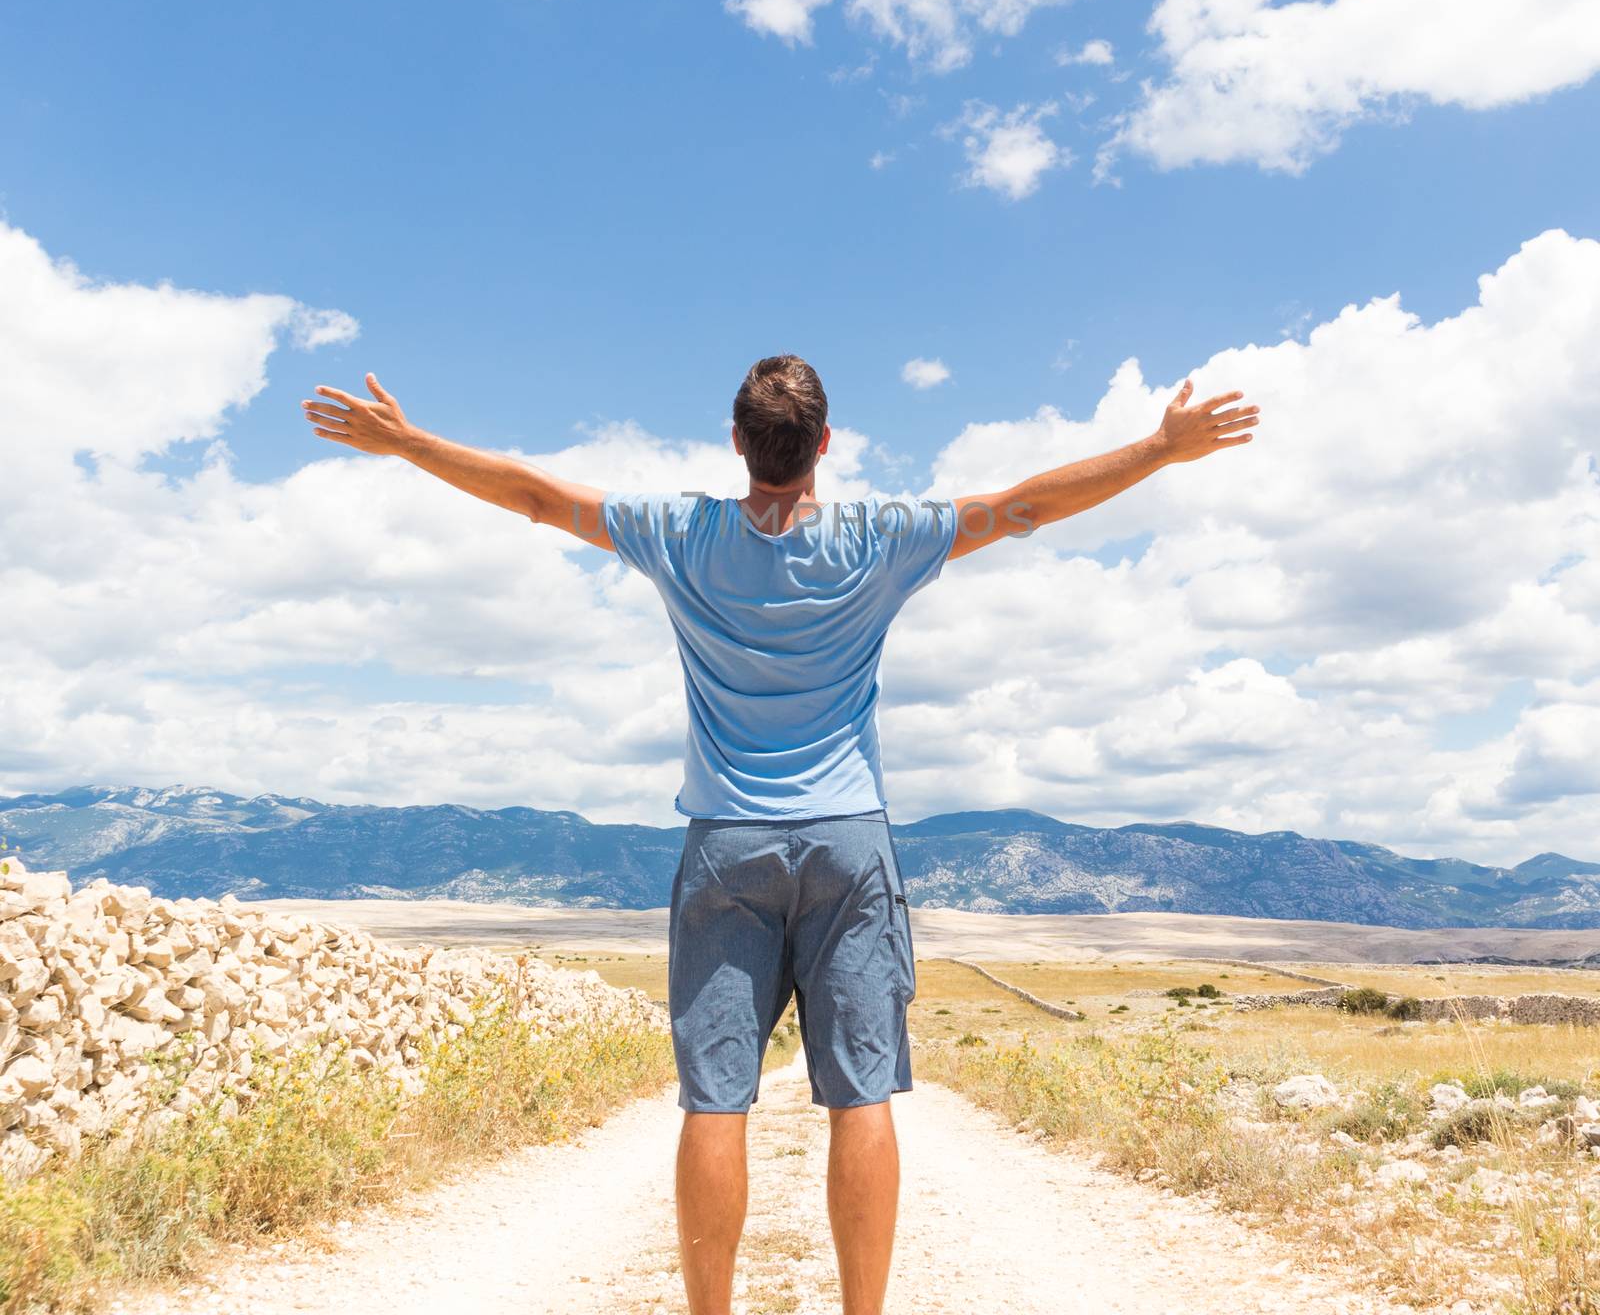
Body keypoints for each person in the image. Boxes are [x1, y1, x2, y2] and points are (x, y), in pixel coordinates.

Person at [301, 356, 1259, 1315]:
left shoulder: (679, 533)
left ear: (737, 445)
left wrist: (406, 441)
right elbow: (1023, 507)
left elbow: (538, 499)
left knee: (716, 1100)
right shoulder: (880, 540)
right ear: (825, 446)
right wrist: (1161, 450)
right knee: (862, 1096)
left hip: (725, 843)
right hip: (847, 841)